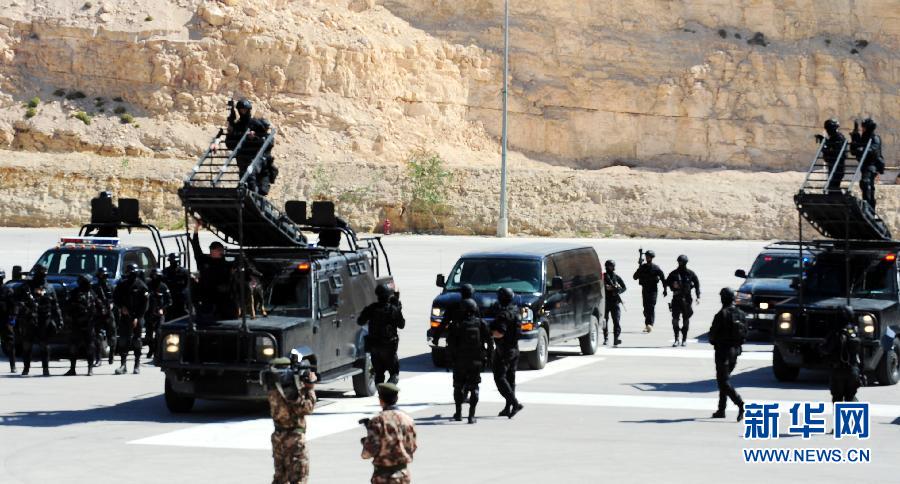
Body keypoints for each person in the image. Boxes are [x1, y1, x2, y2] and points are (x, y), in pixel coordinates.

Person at [265, 357, 317, 484]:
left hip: (278, 437)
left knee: (280, 478)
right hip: (294, 439)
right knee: (298, 478)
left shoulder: (272, 387)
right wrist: (309, 388)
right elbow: (306, 408)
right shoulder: (290, 390)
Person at [361, 383, 418, 484]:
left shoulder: (378, 420)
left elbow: (368, 453)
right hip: (403, 475)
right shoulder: (408, 419)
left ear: (380, 400)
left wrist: (366, 442)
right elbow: (413, 447)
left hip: (383, 477)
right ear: (397, 398)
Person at [447, 298, 492, 424]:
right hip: (476, 361)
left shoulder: (456, 324)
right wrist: (489, 358)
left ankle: (458, 413)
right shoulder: (481, 323)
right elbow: (489, 342)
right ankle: (471, 416)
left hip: (460, 361)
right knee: (475, 387)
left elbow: (450, 344)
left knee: (458, 386)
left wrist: (450, 359)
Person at [15, 265, 63, 376]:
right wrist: (25, 309)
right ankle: (26, 368)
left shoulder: (49, 287)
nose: (42, 276)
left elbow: (55, 305)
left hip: (44, 319)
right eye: (40, 274)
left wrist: (59, 319)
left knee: (44, 346)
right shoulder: (27, 287)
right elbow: (17, 301)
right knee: (27, 345)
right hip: (30, 319)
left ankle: (45, 369)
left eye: (44, 274)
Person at [708, 288, 746, 421]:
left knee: (723, 381)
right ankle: (721, 409)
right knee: (724, 380)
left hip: (723, 351)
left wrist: (714, 342)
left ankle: (740, 403)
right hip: (735, 351)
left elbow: (712, 335)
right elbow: (745, 333)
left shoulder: (721, 314)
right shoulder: (741, 314)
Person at [358, 284, 405, 384]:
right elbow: (402, 324)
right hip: (389, 348)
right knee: (394, 374)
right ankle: (388, 393)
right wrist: (397, 306)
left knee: (379, 374)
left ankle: (381, 396)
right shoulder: (392, 309)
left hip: (375, 348)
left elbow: (360, 321)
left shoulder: (372, 308)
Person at [191, 219, 235, 321]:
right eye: (218, 250)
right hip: (207, 298)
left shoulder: (227, 263)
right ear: (212, 251)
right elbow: (195, 246)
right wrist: (196, 229)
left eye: (221, 250)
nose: (220, 252)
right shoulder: (204, 261)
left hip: (223, 300)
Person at [490, 287, 523, 418]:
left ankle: (514, 403)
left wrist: (489, 333)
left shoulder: (503, 314)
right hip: (515, 349)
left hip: (504, 351)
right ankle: (508, 408)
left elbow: (500, 333)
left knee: (500, 378)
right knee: (510, 379)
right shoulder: (515, 310)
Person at [820, 306, 864, 403]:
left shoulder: (835, 333)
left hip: (837, 371)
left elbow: (825, 349)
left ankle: (840, 417)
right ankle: (851, 417)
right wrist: (862, 373)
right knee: (851, 398)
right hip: (853, 371)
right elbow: (861, 355)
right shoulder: (855, 332)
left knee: (837, 400)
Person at [113, 264, 149, 375]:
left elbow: (145, 304)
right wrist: (121, 307)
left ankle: (137, 365)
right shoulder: (122, 284)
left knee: (137, 341)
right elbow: (116, 298)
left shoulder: (141, 286)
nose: (129, 275)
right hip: (125, 316)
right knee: (123, 340)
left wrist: (137, 317)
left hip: (138, 317)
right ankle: (123, 365)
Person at [65, 275, 97, 376]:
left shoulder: (92, 293)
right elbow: (67, 307)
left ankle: (90, 368)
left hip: (89, 324)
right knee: (73, 347)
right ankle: (72, 369)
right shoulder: (74, 293)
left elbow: (98, 307)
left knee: (90, 347)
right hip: (76, 323)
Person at [851, 118, 886, 209]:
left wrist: (862, 150)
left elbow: (873, 150)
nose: (862, 129)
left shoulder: (875, 138)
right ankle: (868, 204)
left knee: (866, 183)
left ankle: (869, 206)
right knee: (865, 185)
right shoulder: (863, 137)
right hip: (864, 164)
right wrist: (855, 135)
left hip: (872, 165)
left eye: (863, 127)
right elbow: (854, 150)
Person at [666, 255, 700, 347]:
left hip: (687, 299)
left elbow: (697, 283)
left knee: (686, 320)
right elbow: (666, 282)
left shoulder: (690, 273)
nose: (680, 264)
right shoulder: (673, 274)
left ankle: (684, 339)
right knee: (675, 320)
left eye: (682, 262)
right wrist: (673, 285)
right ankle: (676, 338)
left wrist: (698, 296)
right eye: (679, 262)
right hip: (676, 298)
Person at [633, 249, 667, 333]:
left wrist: (665, 289)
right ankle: (648, 323)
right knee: (645, 308)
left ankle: (649, 325)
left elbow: (663, 278)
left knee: (651, 307)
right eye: (646, 256)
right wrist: (639, 267)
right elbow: (635, 277)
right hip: (645, 289)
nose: (647, 258)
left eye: (649, 257)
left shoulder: (656, 268)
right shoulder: (643, 267)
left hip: (653, 290)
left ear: (652, 258)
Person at [145, 268, 172, 360]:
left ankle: (157, 351)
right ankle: (151, 349)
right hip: (149, 313)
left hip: (160, 314)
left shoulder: (163, 287)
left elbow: (169, 301)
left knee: (159, 334)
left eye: (157, 276)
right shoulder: (148, 285)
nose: (155, 277)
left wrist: (162, 309)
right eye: (154, 276)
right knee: (148, 336)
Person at [92, 267, 117, 366]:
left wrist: (111, 304)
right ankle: (98, 358)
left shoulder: (111, 286)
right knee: (97, 336)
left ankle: (111, 354)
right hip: (98, 314)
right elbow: (93, 298)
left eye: (105, 276)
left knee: (112, 336)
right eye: (101, 275)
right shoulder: (94, 287)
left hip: (109, 314)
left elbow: (115, 299)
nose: (103, 278)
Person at [817, 118, 847, 192]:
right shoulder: (833, 137)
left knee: (833, 187)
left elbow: (835, 151)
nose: (827, 131)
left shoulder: (839, 137)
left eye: (829, 129)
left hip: (838, 167)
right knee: (832, 187)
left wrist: (825, 145)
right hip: (833, 166)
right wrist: (823, 141)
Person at [603, 260, 626, 347]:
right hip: (605, 302)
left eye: (612, 266)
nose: (612, 268)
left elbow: (624, 287)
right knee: (605, 320)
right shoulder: (603, 277)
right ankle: (606, 337)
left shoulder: (616, 277)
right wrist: (606, 288)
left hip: (615, 302)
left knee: (616, 321)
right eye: (610, 266)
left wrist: (618, 290)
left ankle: (616, 338)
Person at [163, 253, 190, 319]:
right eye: (172, 261)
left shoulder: (184, 271)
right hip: (170, 297)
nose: (174, 263)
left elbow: (187, 285)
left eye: (176, 261)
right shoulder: (165, 271)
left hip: (180, 297)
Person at [0, 269, 17, 373]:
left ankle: (13, 365)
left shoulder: (7, 290)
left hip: (5, 320)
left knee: (10, 344)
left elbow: (14, 305)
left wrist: (12, 318)